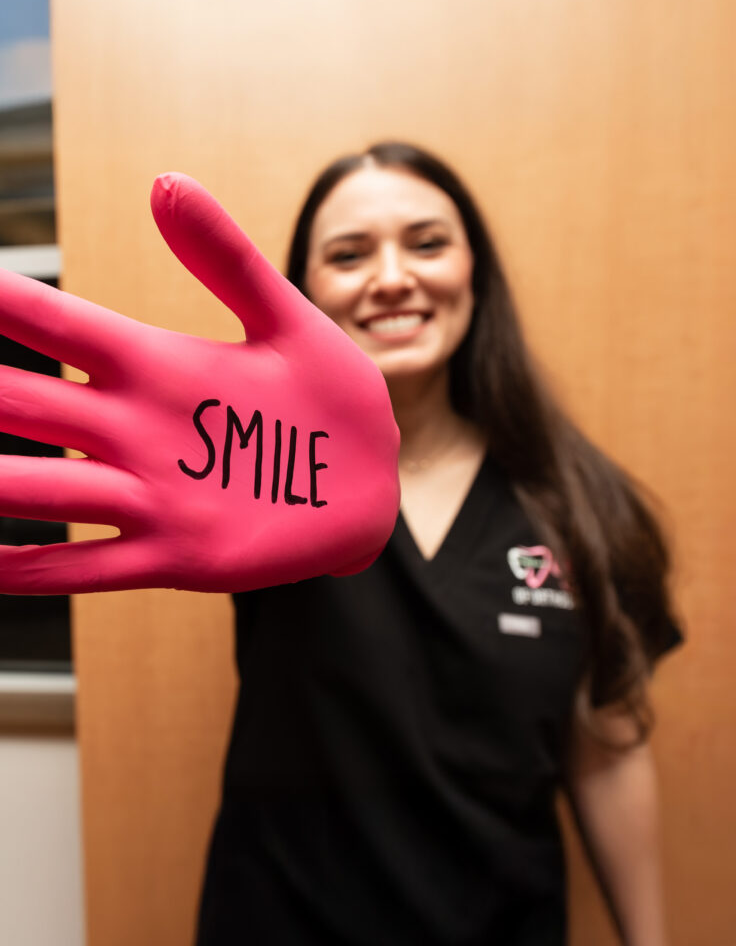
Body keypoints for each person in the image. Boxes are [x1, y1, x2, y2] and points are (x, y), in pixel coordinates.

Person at [194, 142, 682, 946]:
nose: (391, 277)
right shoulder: (254, 473)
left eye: (426, 243)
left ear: (475, 271)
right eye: (348, 255)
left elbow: (608, 749)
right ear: (301, 294)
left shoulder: (579, 503)